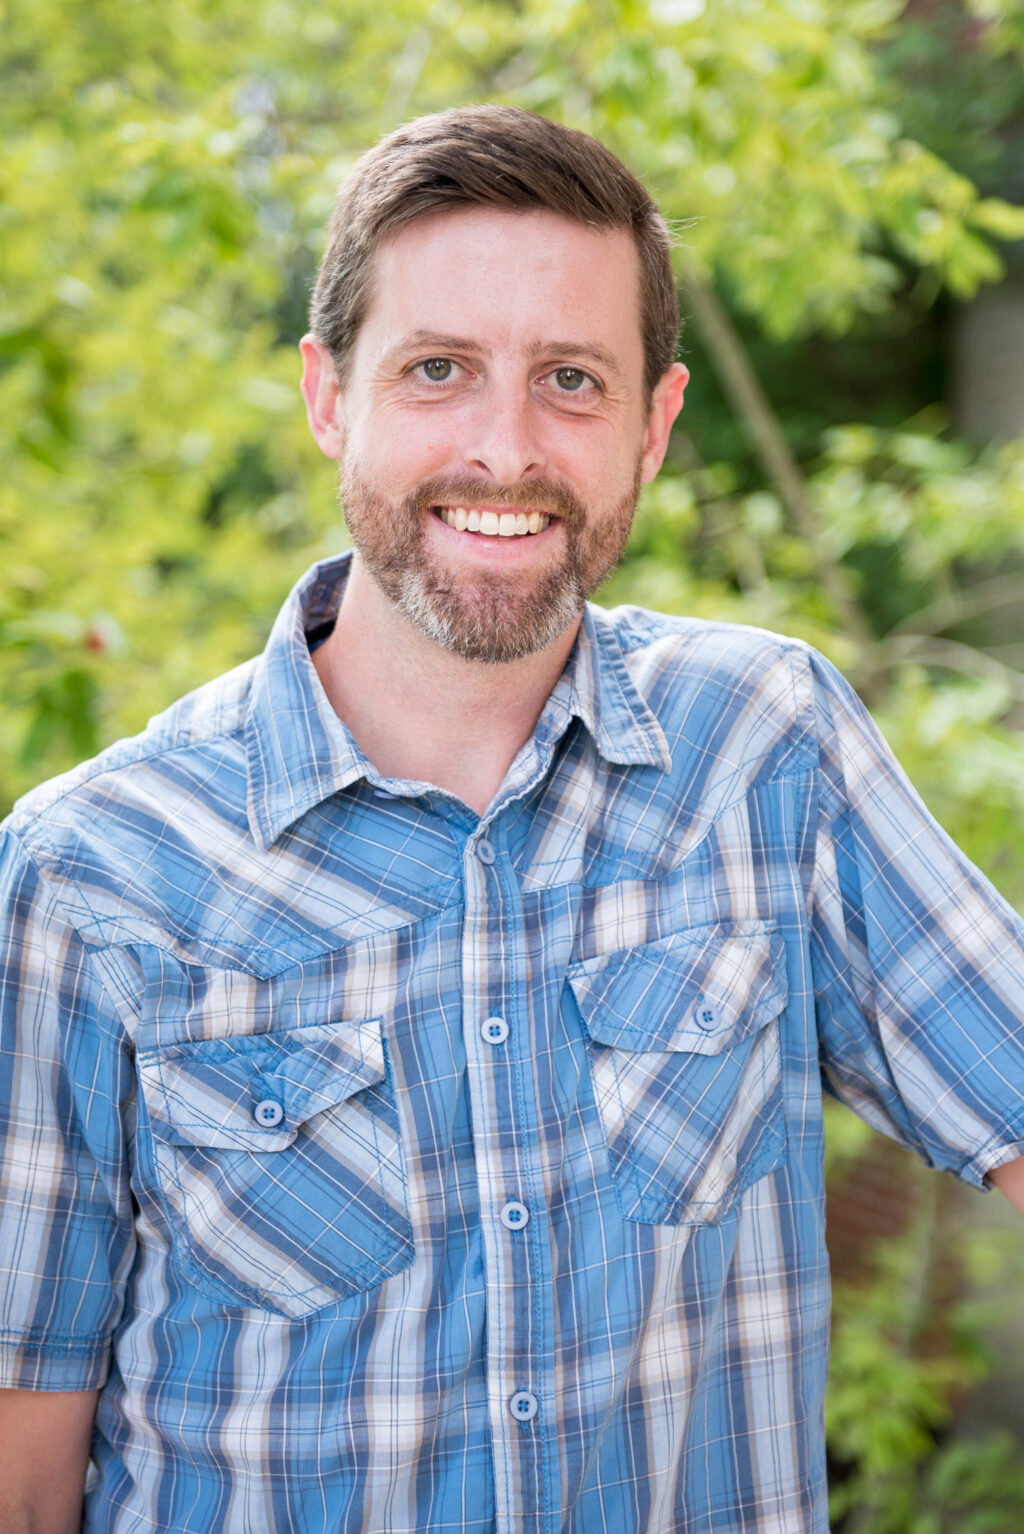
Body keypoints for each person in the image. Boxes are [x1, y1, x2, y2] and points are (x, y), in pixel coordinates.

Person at [1, 104, 1022, 1534]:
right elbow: (21, 1465)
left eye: (571, 379)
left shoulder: (767, 754)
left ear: (654, 426)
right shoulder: (89, 874)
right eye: (437, 369)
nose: (507, 446)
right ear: (327, 396)